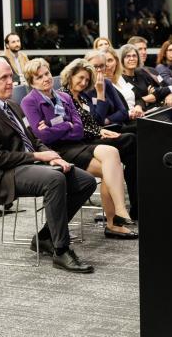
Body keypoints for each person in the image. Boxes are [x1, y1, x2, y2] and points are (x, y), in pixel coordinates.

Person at [0, 57, 98, 273]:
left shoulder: (12, 105)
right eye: (4, 78)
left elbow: (34, 139)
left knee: (86, 181)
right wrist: (37, 157)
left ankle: (45, 236)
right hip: (0, 175)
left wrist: (52, 155)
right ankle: (61, 250)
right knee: (55, 179)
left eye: (11, 76)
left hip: (25, 165)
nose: (10, 82)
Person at [21, 58, 137, 238]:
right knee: (112, 165)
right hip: (55, 151)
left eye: (47, 74)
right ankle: (116, 221)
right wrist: (67, 125)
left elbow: (79, 129)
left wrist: (55, 127)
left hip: (78, 144)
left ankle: (118, 217)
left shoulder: (64, 97)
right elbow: (43, 136)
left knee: (112, 157)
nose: (45, 79)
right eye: (39, 77)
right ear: (31, 82)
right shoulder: (29, 101)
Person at [58, 58, 139, 221]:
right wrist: (98, 131)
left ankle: (133, 206)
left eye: (87, 80)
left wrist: (101, 128)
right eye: (80, 78)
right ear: (70, 76)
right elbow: (69, 126)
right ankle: (132, 206)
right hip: (81, 142)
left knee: (132, 148)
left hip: (94, 135)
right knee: (131, 141)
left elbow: (97, 120)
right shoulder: (62, 96)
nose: (83, 82)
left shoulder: (83, 97)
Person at [83, 50, 133, 128]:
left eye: (102, 66)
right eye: (95, 66)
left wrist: (107, 120)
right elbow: (96, 121)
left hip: (114, 125)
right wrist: (100, 93)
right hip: (98, 132)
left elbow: (123, 112)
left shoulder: (107, 83)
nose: (99, 70)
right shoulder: (83, 87)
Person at [119, 43, 172, 110]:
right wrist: (148, 97)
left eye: (134, 56)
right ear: (122, 59)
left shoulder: (141, 73)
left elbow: (159, 90)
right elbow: (132, 102)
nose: (132, 58)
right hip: (142, 114)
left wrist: (169, 93)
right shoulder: (121, 79)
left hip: (159, 105)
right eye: (128, 56)